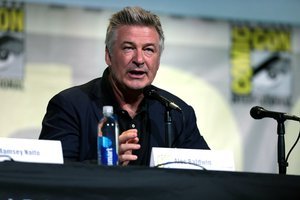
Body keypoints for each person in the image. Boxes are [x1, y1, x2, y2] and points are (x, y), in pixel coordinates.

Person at [39, 6, 210, 166]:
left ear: (158, 60)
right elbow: (51, 178)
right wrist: (104, 163)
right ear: (109, 55)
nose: (139, 59)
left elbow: (209, 175)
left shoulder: (177, 112)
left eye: (148, 50)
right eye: (128, 48)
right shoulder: (69, 106)